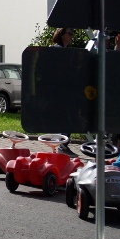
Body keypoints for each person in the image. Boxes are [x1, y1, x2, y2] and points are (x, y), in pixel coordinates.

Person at [50, 27, 77, 155]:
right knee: (65, 117)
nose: (72, 36)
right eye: (69, 34)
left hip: (67, 90)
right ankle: (61, 145)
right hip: (59, 91)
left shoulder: (66, 51)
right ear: (61, 35)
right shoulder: (57, 50)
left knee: (68, 117)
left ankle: (63, 144)